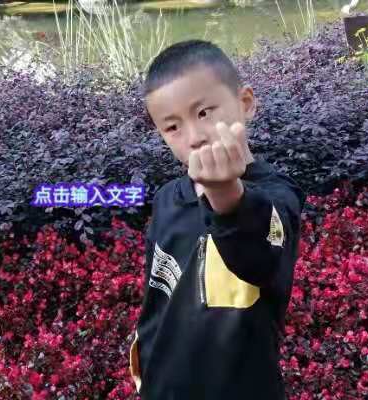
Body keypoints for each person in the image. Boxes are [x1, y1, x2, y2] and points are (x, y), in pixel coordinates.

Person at [128, 39, 306, 399]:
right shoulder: (167, 200)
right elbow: (158, 297)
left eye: (204, 113)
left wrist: (225, 192)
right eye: (172, 127)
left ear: (246, 102)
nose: (194, 137)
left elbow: (259, 259)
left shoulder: (277, 196)